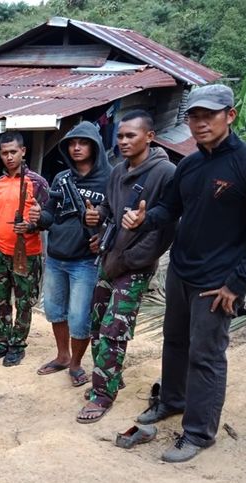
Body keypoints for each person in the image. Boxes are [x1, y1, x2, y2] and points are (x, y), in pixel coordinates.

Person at [122, 85, 246, 462]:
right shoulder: (191, 164)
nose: (200, 123)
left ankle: (199, 432)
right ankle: (173, 401)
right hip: (181, 271)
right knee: (175, 342)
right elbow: (170, 208)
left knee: (207, 357)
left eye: (209, 115)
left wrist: (238, 283)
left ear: (230, 115)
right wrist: (148, 218)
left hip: (218, 283)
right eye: (194, 116)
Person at [75, 110, 176, 423]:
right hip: (109, 259)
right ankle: (106, 380)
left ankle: (103, 396)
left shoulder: (165, 173)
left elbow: (165, 229)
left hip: (134, 266)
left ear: (149, 136)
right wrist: (95, 218)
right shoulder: (118, 171)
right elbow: (108, 208)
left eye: (131, 135)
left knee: (114, 330)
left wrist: (130, 260)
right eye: (119, 136)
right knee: (96, 325)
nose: (123, 141)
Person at [33, 122, 111, 386]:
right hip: (55, 257)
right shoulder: (61, 178)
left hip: (85, 262)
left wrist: (99, 223)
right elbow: (49, 214)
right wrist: (37, 216)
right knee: (55, 311)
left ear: (95, 146)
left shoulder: (110, 178)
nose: (76, 147)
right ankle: (63, 355)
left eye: (83, 142)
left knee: (80, 318)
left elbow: (116, 218)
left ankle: (76, 363)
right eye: (71, 143)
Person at [0, 132, 49, 366]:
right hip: (0, 251)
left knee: (23, 302)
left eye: (13, 151)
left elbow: (49, 217)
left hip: (27, 253)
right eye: (4, 153)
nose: (9, 157)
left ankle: (17, 345)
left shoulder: (37, 182)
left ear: (23, 151)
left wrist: (32, 225)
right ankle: (1, 342)